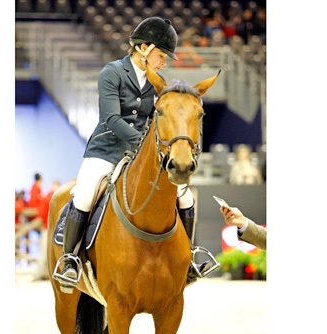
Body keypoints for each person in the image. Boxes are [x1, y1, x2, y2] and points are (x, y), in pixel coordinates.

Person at [54, 16, 217, 290]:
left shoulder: (159, 81)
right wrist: (142, 143)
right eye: (161, 54)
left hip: (141, 156)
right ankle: (70, 260)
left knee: (184, 195)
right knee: (83, 193)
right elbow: (111, 119)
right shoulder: (112, 72)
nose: (164, 61)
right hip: (105, 151)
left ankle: (188, 259)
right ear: (144, 47)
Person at [33, 180, 60, 281]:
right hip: (54, 229)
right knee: (50, 252)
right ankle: (46, 273)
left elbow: (41, 212)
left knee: (45, 252)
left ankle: (42, 273)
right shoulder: (55, 196)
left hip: (48, 228)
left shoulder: (49, 196)